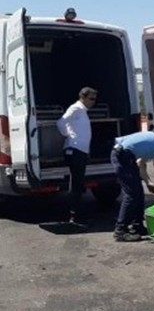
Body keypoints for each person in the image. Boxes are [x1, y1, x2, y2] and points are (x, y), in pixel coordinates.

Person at [56, 87, 97, 224]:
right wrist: (68, 135)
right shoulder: (76, 108)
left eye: (94, 99)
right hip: (75, 150)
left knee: (79, 183)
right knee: (76, 184)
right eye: (91, 99)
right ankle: (74, 215)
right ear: (83, 97)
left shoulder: (82, 111)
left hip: (81, 150)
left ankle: (77, 213)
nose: (93, 102)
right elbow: (61, 122)